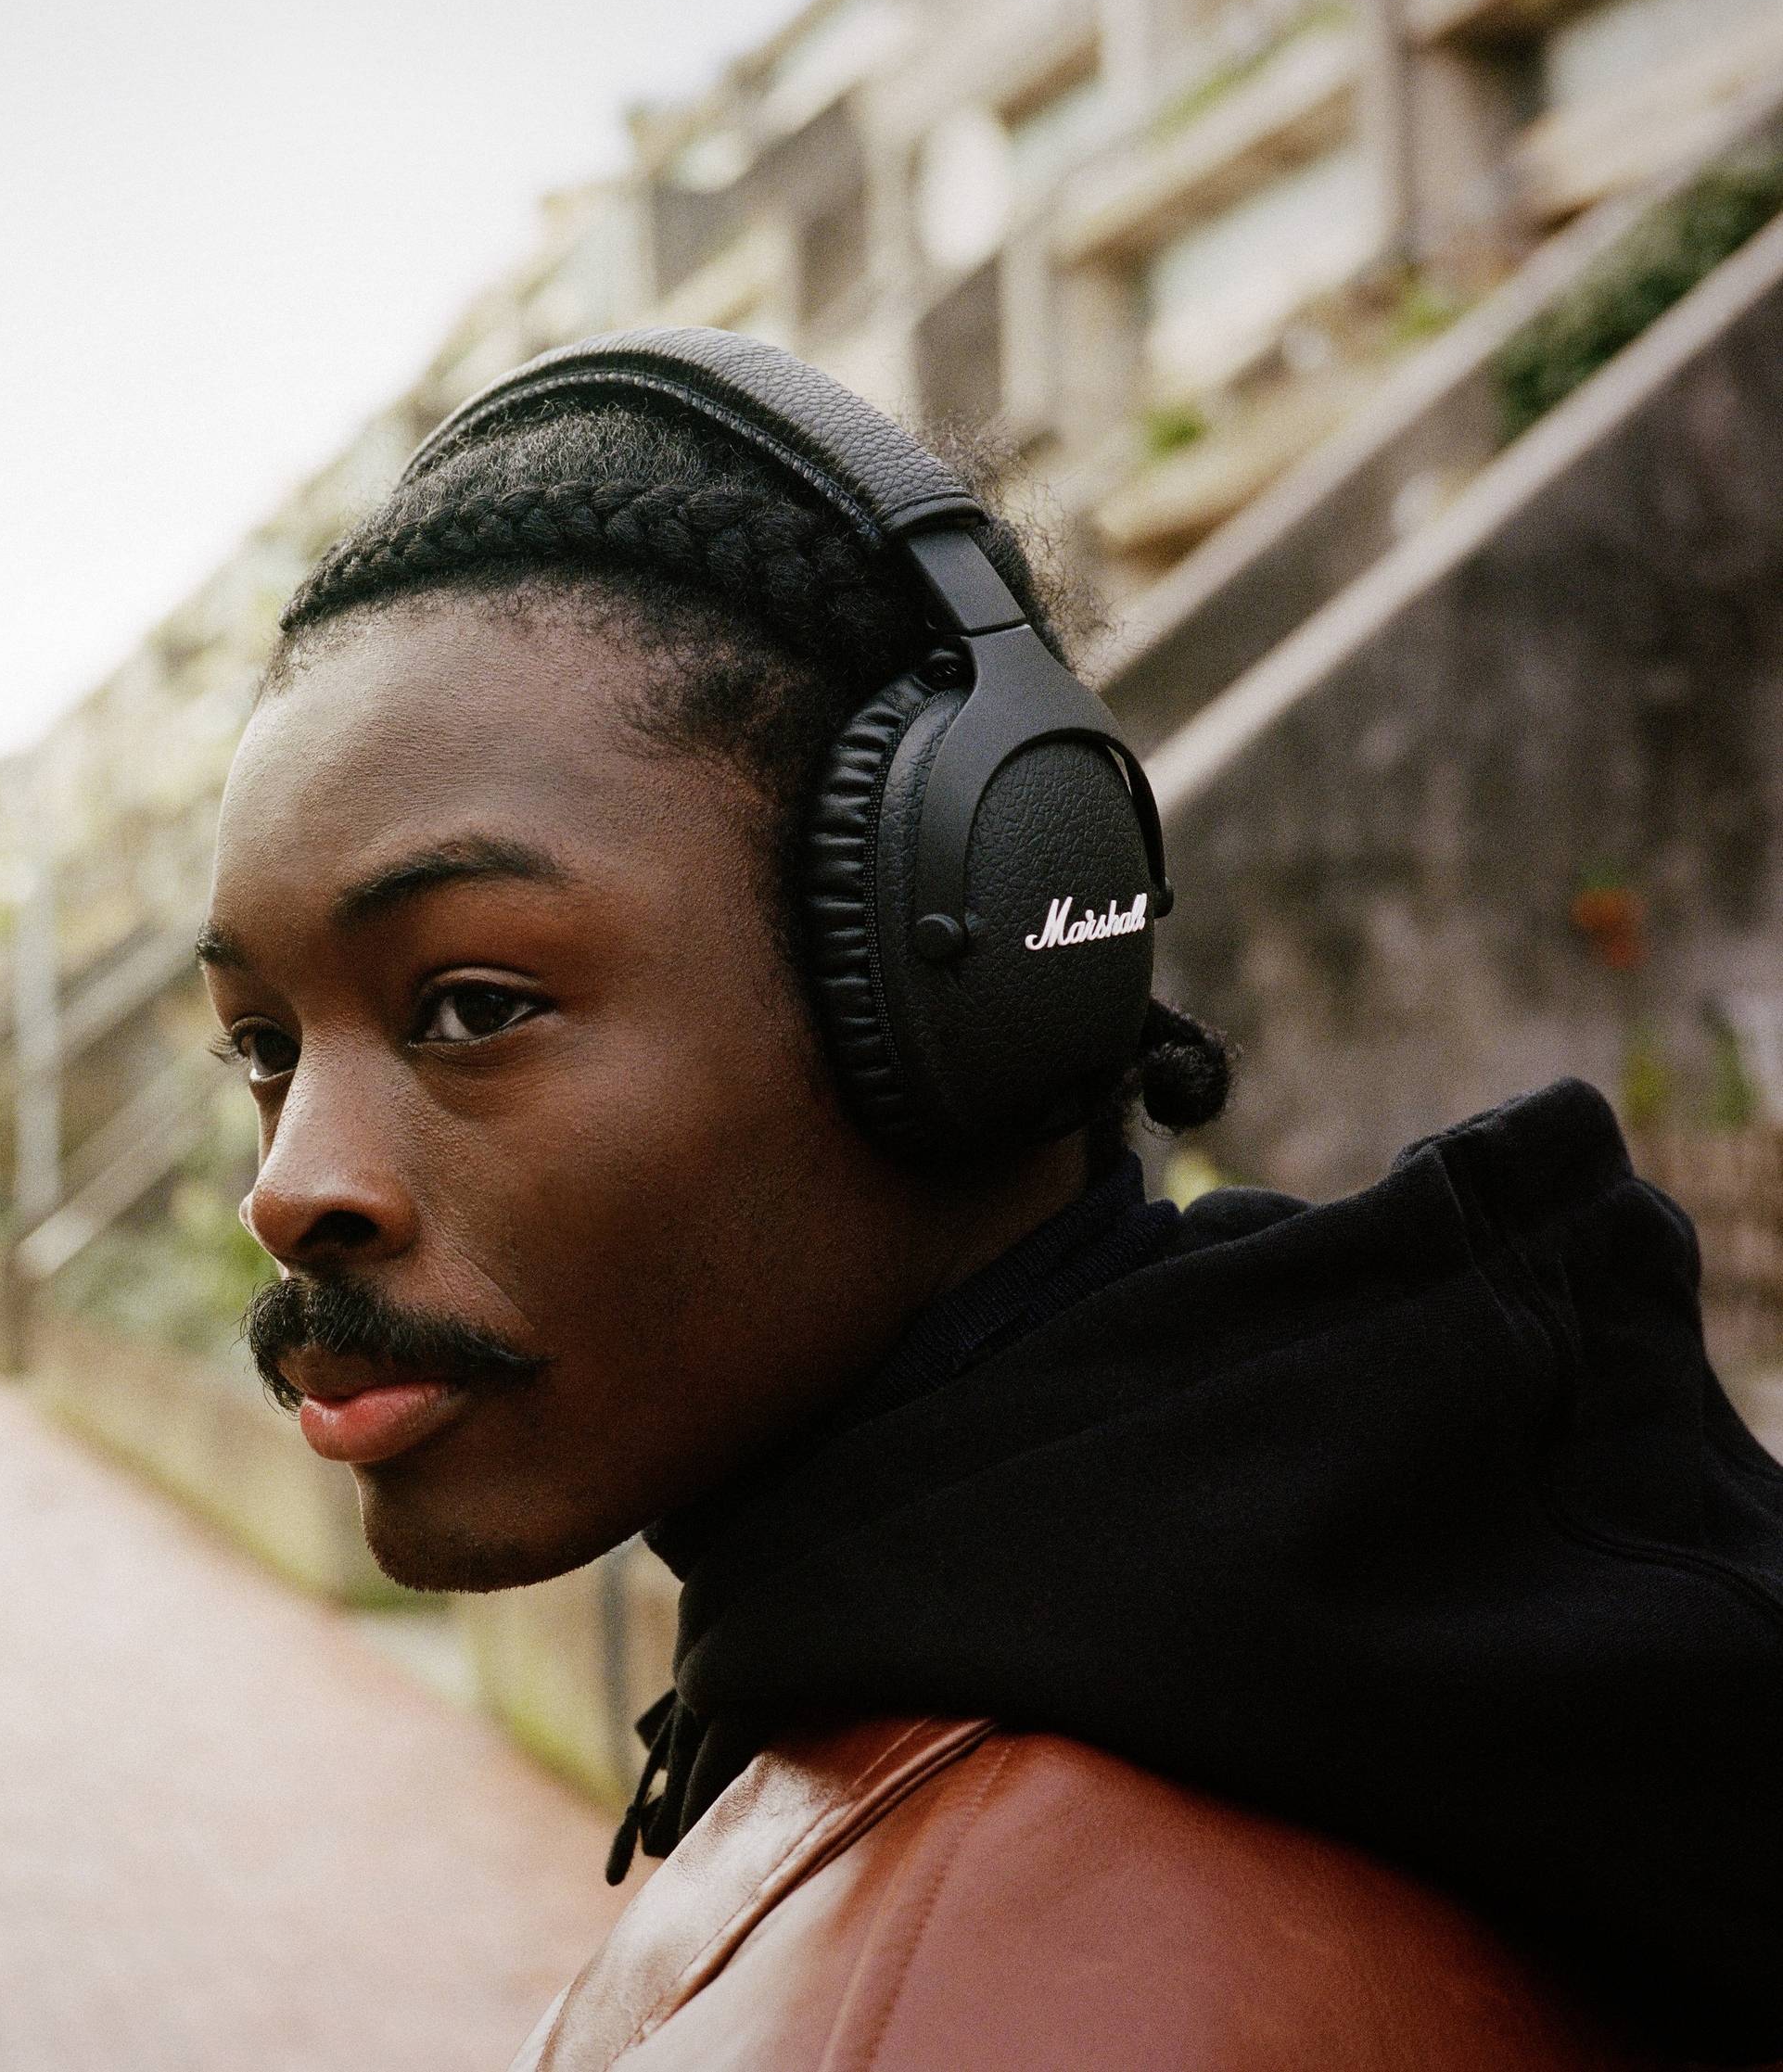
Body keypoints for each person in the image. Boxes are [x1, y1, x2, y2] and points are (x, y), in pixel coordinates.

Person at [198, 330, 1783, 2069]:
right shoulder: (1276, 1615)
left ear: (969, 981)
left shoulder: (994, 1989)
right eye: (263, 1045)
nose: (295, 1188)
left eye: (473, 1006)